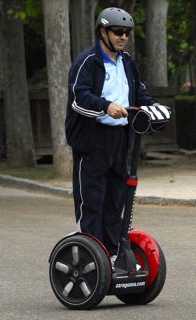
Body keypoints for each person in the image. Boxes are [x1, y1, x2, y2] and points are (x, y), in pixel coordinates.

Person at [65, 7, 158, 260]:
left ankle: (115, 255)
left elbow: (139, 94)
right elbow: (79, 98)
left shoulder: (127, 62)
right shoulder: (87, 62)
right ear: (103, 32)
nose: (123, 37)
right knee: (92, 201)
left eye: (127, 33)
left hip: (120, 140)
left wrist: (155, 108)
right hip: (92, 140)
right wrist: (106, 107)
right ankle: (92, 257)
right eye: (118, 32)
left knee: (116, 198)